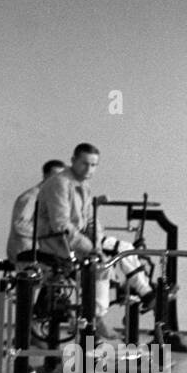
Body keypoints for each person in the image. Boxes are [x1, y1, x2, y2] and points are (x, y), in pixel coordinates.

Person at [36, 143, 153, 336]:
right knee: (101, 266)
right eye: (85, 164)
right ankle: (95, 320)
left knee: (124, 248)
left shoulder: (84, 185)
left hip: (78, 240)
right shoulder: (60, 183)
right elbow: (61, 225)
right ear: (73, 160)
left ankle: (144, 293)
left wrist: (96, 244)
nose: (89, 169)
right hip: (57, 243)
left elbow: (91, 220)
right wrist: (92, 248)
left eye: (93, 165)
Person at [6, 160, 65, 262]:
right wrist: (49, 232)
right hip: (25, 251)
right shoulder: (30, 197)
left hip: (39, 250)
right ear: (45, 176)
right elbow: (20, 225)